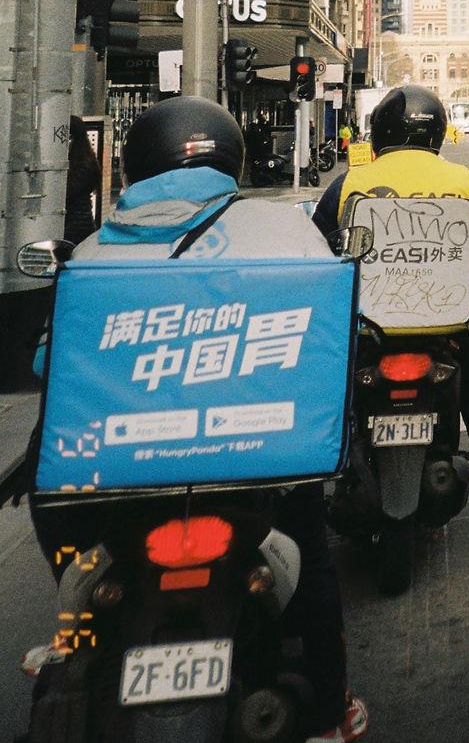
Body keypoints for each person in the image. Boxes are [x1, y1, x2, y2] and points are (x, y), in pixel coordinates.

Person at [68, 97, 367, 743]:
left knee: (73, 534)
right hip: (258, 457)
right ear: (233, 159)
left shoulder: (92, 250)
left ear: (134, 164)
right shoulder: (282, 226)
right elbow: (329, 327)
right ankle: (329, 708)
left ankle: (75, 630)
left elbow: (53, 358)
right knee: (309, 548)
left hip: (129, 471)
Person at [313, 85, 469, 534]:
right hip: (448, 325)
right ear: (438, 133)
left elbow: (318, 254)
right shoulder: (465, 180)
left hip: (365, 328)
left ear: (378, 132)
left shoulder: (350, 183)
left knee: (326, 393)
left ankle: (306, 498)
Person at [63, 115, 100, 245]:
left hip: (75, 229)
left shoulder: (82, 164)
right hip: (80, 226)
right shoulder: (86, 160)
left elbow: (67, 193)